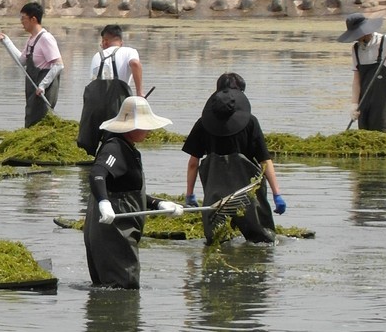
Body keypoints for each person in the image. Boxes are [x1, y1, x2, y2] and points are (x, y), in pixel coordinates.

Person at [84, 95, 183, 289]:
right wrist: (104, 203)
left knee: (117, 285)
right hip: (112, 230)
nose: (147, 130)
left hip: (121, 228)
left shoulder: (128, 149)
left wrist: (158, 204)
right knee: (122, 286)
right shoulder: (115, 148)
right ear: (131, 127)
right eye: (144, 126)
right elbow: (97, 174)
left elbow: (127, 191)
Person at [181, 72, 286, 244]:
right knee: (262, 241)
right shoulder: (251, 122)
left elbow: (193, 163)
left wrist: (190, 194)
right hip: (248, 196)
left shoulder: (202, 124)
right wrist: (277, 194)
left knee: (216, 243)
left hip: (216, 198)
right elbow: (265, 161)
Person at [77, 24, 145, 156]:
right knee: (116, 139)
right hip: (116, 102)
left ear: (105, 41)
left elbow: (93, 82)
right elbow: (135, 64)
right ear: (121, 40)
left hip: (93, 104)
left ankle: (88, 168)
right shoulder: (128, 51)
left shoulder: (97, 55)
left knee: (88, 143)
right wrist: (139, 93)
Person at [0, 1, 63, 126]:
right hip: (33, 90)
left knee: (42, 123)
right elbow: (22, 61)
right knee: (31, 121)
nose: (21, 21)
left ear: (33, 19)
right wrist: (6, 42)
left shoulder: (46, 38)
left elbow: (58, 65)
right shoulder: (32, 39)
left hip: (43, 91)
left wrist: (43, 85)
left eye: (23, 18)